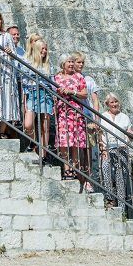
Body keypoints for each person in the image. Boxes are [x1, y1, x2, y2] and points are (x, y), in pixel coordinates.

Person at [53, 54, 88, 182]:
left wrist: (72, 92)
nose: (72, 64)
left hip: (76, 113)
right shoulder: (57, 77)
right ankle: (66, 168)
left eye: (73, 62)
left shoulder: (79, 77)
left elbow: (84, 94)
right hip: (63, 112)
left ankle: (73, 169)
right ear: (63, 63)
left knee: (75, 143)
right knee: (64, 142)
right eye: (69, 62)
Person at [99, 93, 133, 209]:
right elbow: (100, 134)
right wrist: (103, 149)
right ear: (107, 104)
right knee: (106, 170)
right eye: (112, 102)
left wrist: (130, 136)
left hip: (121, 149)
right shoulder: (103, 116)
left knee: (120, 178)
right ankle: (110, 199)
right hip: (108, 149)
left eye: (116, 102)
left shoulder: (125, 117)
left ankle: (122, 207)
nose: (114, 104)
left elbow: (130, 132)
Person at [22, 36, 53, 161]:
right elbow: (24, 82)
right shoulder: (28, 62)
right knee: (28, 124)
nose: (44, 51)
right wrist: (24, 100)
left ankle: (43, 154)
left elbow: (51, 83)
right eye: (42, 49)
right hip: (32, 93)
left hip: (45, 95)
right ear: (36, 49)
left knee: (45, 127)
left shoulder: (48, 65)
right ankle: (34, 142)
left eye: (45, 49)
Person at [74, 52, 101, 191]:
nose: (80, 65)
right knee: (77, 148)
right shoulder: (71, 78)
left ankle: (88, 179)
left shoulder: (89, 79)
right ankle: (79, 177)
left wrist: (96, 119)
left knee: (89, 149)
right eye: (78, 62)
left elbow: (95, 100)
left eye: (82, 62)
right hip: (75, 117)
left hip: (88, 115)